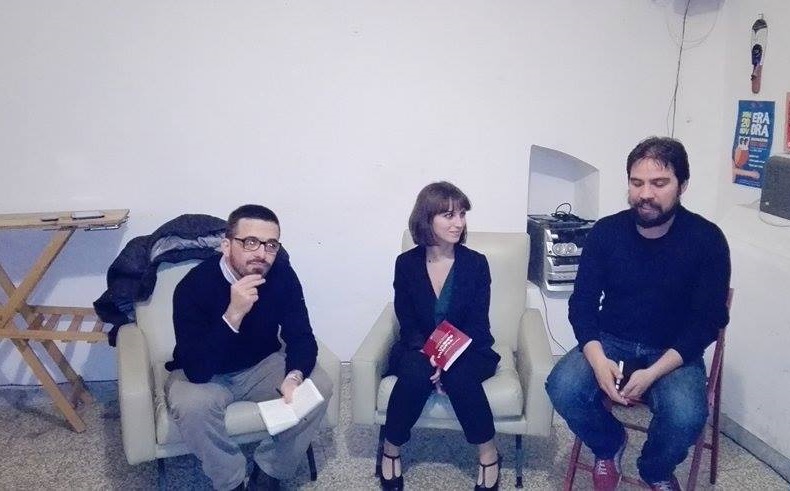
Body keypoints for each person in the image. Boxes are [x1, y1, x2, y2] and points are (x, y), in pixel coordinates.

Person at [545, 137, 731, 491]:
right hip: (612, 338)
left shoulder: (707, 240)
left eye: (659, 183)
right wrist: (597, 360)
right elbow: (582, 303)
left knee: (686, 416)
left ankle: (654, 469)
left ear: (682, 185)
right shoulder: (606, 232)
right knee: (562, 387)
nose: (646, 194)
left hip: (673, 350)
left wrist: (653, 373)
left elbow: (707, 322)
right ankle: (609, 443)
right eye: (637, 182)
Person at [164, 204, 333, 491]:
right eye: (251, 242)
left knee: (319, 385)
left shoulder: (281, 275)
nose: (261, 254)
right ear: (226, 246)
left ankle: (269, 471)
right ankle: (230, 481)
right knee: (192, 407)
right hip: (206, 374)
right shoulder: (193, 286)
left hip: (260, 366)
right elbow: (196, 369)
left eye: (271, 245)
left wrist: (294, 377)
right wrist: (233, 314)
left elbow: (302, 336)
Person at [379, 181, 502, 491]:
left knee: (459, 375)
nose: (458, 223)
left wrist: (444, 357)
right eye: (449, 215)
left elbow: (477, 323)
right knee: (415, 373)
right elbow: (407, 320)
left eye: (462, 214)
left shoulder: (476, 264)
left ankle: (489, 454)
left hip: (468, 348)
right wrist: (430, 354)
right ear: (427, 218)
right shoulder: (406, 264)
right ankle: (391, 448)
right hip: (418, 346)